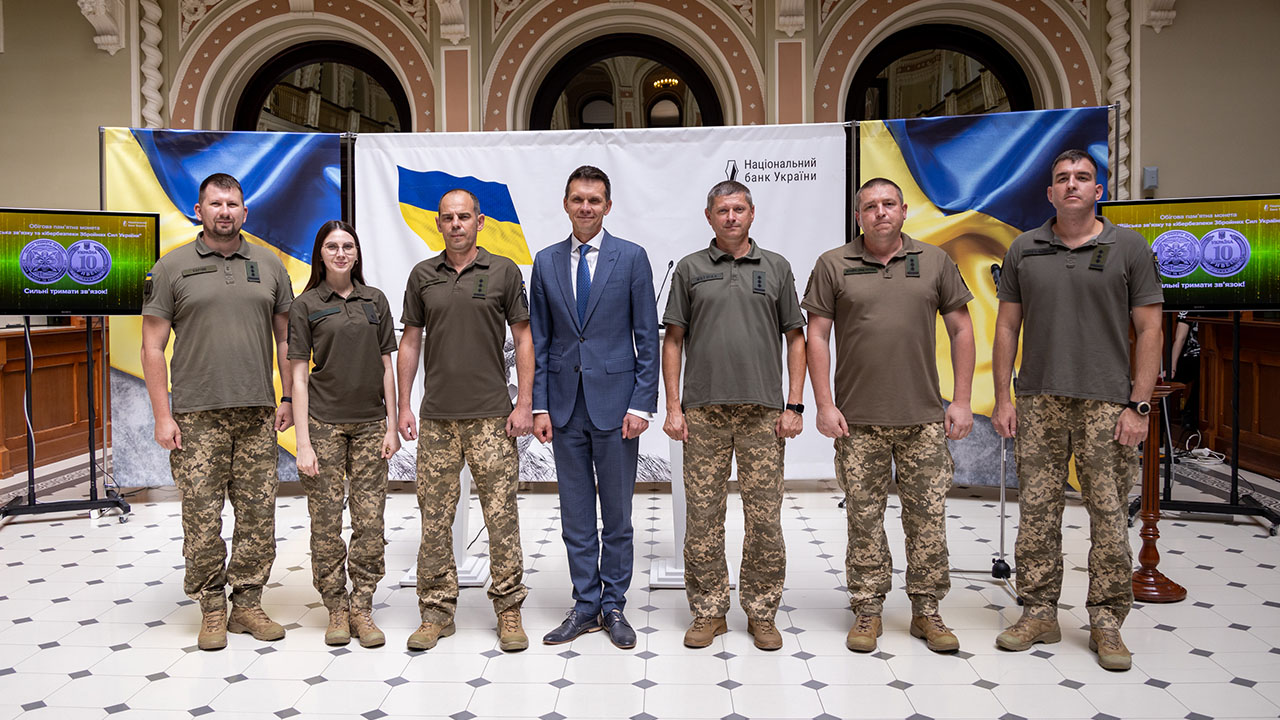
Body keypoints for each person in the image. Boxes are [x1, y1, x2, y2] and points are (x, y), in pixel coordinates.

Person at [992, 149, 1163, 671]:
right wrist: (1003, 396)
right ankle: (1039, 609)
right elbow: (1005, 328)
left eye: (1082, 178)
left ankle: (1107, 620)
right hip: (1039, 398)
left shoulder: (1129, 247)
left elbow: (1151, 329)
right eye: (1062, 179)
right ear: (1049, 193)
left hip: (1107, 402)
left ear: (1098, 190)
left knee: (1108, 514)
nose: (1072, 185)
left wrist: (1139, 405)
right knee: (1037, 513)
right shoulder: (1025, 249)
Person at [802, 177, 975, 654]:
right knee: (863, 518)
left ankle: (927, 611)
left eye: (888, 205)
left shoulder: (936, 262)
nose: (880, 212)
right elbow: (816, 336)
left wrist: (960, 401)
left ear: (903, 211)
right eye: (870, 206)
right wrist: (823, 404)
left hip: (922, 419)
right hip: (857, 421)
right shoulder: (833, 264)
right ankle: (867, 608)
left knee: (927, 519)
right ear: (858, 216)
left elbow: (962, 329)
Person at [140, 172, 294, 651]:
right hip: (196, 415)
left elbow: (286, 339)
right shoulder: (171, 268)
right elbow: (151, 347)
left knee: (257, 514)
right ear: (198, 210)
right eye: (215, 204)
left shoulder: (269, 265)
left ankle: (247, 603)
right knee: (202, 517)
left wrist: (288, 397)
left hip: (256, 415)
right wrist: (163, 416)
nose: (224, 211)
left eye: (232, 204)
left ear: (245, 213)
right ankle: (211, 606)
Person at [662, 180, 806, 651]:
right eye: (722, 210)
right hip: (702, 413)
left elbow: (796, 338)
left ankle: (762, 613)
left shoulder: (777, 267)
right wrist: (673, 406)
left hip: (763, 414)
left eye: (738, 209)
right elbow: (673, 341)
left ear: (752, 213)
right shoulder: (690, 269)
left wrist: (794, 404)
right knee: (702, 518)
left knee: (764, 518)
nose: (731, 217)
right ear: (709, 217)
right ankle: (708, 612)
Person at [397, 189, 534, 652]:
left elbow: (525, 339)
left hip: (493, 417)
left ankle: (509, 611)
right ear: (439, 224)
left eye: (464, 217)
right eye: (448, 217)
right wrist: (403, 405)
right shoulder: (422, 276)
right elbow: (410, 343)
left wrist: (524, 405)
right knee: (433, 519)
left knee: (502, 518)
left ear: (480, 221)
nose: (456, 224)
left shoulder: (503, 271)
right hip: (437, 419)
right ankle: (435, 612)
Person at [529, 165, 660, 649]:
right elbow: (539, 342)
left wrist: (643, 404)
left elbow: (647, 337)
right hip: (564, 408)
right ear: (566, 204)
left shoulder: (631, 258)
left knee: (619, 514)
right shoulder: (544, 262)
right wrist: (540, 405)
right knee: (576, 514)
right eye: (578, 199)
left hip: (618, 406)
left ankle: (615, 606)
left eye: (595, 200)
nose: (586, 207)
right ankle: (585, 606)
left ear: (608, 206)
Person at [288, 220, 398, 648]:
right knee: (326, 523)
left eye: (347, 246)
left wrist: (391, 425)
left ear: (357, 253)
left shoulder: (375, 300)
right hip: (324, 424)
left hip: (371, 425)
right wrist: (303, 442)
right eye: (331, 246)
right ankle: (336, 606)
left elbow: (387, 366)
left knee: (371, 523)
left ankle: (363, 606)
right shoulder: (307, 305)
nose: (340, 253)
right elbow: (298, 377)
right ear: (320, 253)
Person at [1170, 311, 1201, 435]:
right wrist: (1172, 367)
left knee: (1205, 376)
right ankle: (1157, 435)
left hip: (1207, 356)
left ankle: (1190, 415)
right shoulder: (1187, 309)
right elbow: (1180, 338)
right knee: (1165, 384)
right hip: (1189, 356)